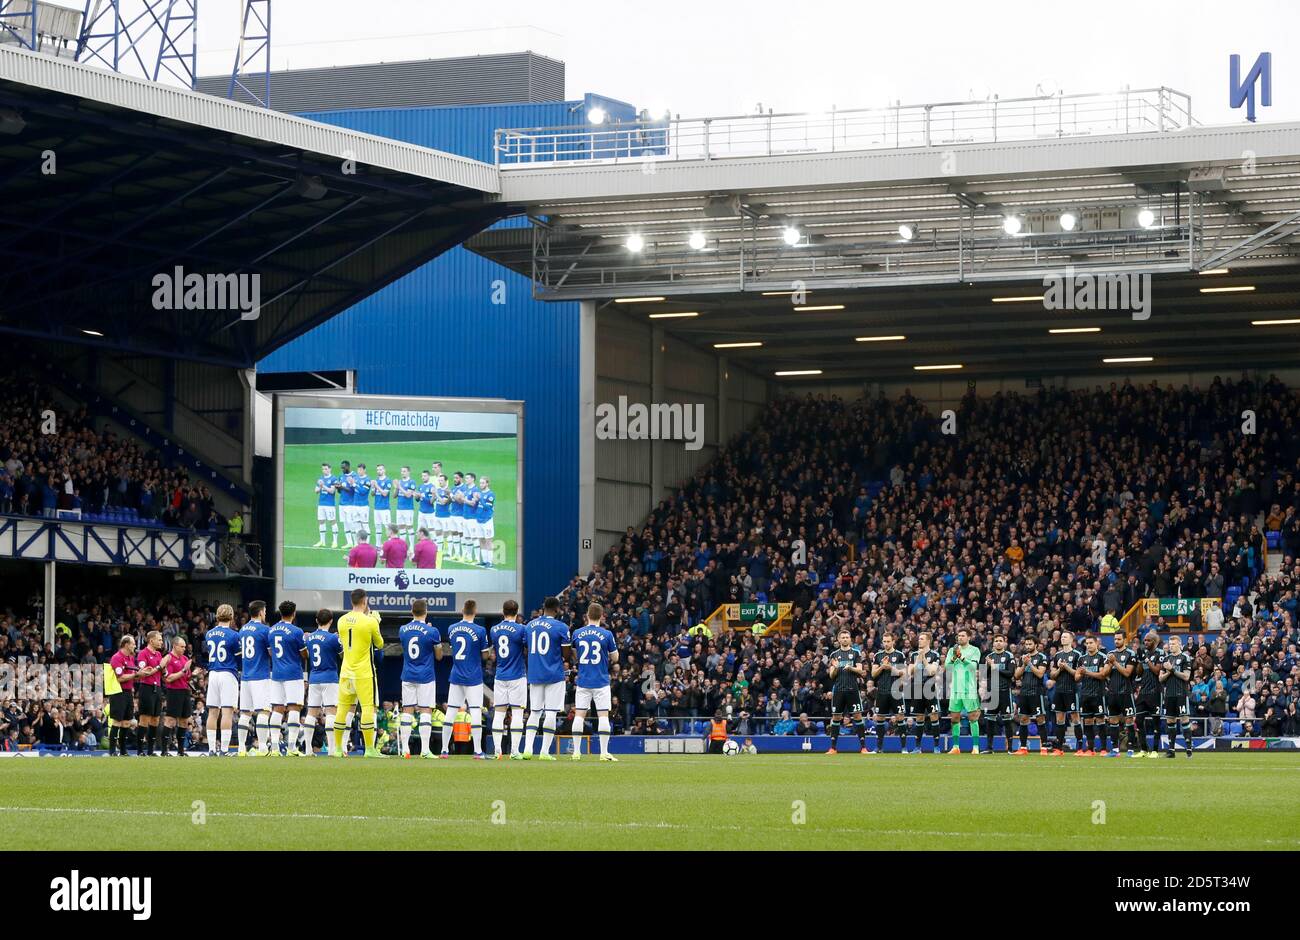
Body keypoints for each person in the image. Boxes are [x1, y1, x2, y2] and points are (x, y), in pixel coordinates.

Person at [331, 589, 385, 758]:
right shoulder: (370, 622)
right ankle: (369, 749)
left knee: (342, 709)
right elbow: (380, 644)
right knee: (368, 708)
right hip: (364, 673)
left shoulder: (341, 621)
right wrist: (375, 620)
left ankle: (338, 749)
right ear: (365, 601)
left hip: (346, 672)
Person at [522, 596, 572, 760]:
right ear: (557, 610)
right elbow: (566, 654)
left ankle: (527, 749)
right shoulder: (561, 626)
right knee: (551, 712)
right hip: (554, 674)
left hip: (535, 674)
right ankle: (544, 752)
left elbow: (525, 648)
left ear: (543, 608)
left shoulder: (529, 625)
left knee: (534, 712)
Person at [439, 599, 490, 759]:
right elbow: (485, 655)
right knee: (475, 711)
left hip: (456, 675)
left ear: (462, 610)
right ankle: (477, 751)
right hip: (473, 676)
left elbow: (454, 649)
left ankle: (444, 750)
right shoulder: (480, 630)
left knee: (451, 711)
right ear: (475, 611)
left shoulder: (452, 628)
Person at [570, 602, 619, 761]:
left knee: (579, 716)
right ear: (602, 615)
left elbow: (574, 654)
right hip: (601, 680)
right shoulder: (607, 634)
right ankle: (603, 753)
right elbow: (615, 657)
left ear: (587, 615)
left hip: (583, 680)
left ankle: (576, 752)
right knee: (603, 716)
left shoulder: (577, 633)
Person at [398, 599, 442, 758]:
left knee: (407, 710)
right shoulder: (432, 631)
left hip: (408, 674)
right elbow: (439, 656)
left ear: (411, 611)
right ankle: (425, 750)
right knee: (425, 711)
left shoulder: (402, 630)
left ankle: (405, 749)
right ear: (426, 612)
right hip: (426, 676)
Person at [267, 600, 307, 756]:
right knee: (294, 708)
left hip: (276, 674)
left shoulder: (271, 631)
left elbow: (270, 652)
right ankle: (291, 747)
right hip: (293, 674)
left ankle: (275, 748)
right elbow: (305, 654)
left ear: (280, 612)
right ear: (294, 613)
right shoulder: (297, 631)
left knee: (277, 709)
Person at [490, 599, 527, 759]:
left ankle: (497, 750)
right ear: (517, 612)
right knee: (518, 713)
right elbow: (526, 648)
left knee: (499, 713)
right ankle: (514, 751)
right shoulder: (521, 629)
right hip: (517, 675)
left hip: (500, 676)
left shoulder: (494, 629)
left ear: (503, 612)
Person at [203, 604, 241, 756]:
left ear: (217, 616)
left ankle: (212, 749)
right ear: (231, 617)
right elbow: (239, 658)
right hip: (227, 673)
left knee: (212, 712)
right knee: (227, 712)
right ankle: (224, 750)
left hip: (213, 673)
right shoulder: (234, 635)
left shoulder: (209, 634)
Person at [303, 608, 342, 755]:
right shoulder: (333, 638)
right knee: (331, 712)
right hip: (330, 678)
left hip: (314, 678)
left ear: (316, 621)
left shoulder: (309, 637)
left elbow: (305, 653)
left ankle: (307, 749)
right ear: (331, 621)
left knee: (311, 713)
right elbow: (342, 654)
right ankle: (332, 749)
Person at [237, 600, 273, 756]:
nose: (265, 614)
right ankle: (263, 748)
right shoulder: (265, 630)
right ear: (260, 612)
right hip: (260, 676)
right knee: (264, 712)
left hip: (245, 677)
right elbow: (271, 652)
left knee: (245, 713)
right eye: (264, 611)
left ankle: (241, 748)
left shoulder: (243, 630)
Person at [825, 628, 867, 755]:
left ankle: (863, 748)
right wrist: (836, 668)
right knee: (836, 717)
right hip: (838, 690)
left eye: (846, 637)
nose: (844, 639)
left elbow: (861, 671)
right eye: (842, 637)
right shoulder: (834, 655)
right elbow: (831, 675)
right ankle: (833, 748)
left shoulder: (856, 653)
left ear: (850, 639)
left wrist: (851, 668)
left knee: (857, 716)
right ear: (839, 639)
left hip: (852, 689)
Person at [943, 627, 982, 754]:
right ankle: (956, 747)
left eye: (963, 635)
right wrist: (954, 657)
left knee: (972, 717)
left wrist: (962, 658)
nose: (960, 638)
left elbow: (974, 666)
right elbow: (947, 667)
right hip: (955, 688)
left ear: (969, 637)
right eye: (959, 636)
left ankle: (975, 747)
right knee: (954, 718)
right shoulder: (952, 650)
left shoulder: (974, 650)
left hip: (969, 688)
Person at [904, 631, 941, 754]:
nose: (919, 640)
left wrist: (924, 659)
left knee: (934, 715)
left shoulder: (935, 654)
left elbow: (931, 671)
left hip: (930, 689)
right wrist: (918, 658)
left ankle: (936, 747)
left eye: (922, 639)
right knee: (919, 717)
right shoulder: (913, 654)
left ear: (928, 641)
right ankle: (918, 747)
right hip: (917, 689)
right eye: (919, 639)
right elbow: (910, 672)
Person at [870, 630, 907, 754]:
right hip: (882, 691)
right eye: (884, 641)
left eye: (888, 641)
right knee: (880, 718)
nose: (886, 644)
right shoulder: (878, 655)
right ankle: (879, 748)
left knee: (900, 717)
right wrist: (882, 666)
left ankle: (904, 748)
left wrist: (891, 667)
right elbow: (873, 674)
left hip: (896, 691)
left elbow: (903, 673)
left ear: (893, 642)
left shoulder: (900, 655)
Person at [1049, 630, 1083, 755]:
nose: (1062, 638)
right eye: (1062, 637)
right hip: (1059, 690)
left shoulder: (1077, 655)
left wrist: (1066, 667)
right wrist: (1059, 668)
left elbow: (1079, 674)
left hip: (1072, 690)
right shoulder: (1057, 655)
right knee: (1059, 719)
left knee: (1075, 718)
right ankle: (1059, 748)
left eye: (1065, 637)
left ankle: (1079, 748)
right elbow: (1052, 675)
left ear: (1071, 640)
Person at [1104, 630, 1138, 756]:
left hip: (1126, 692)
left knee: (1129, 720)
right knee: (1113, 721)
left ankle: (1130, 749)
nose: (1116, 641)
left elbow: (1127, 673)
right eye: (1115, 639)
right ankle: (1114, 750)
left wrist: (1114, 662)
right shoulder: (1110, 654)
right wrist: (1109, 666)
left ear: (1125, 639)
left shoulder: (1131, 654)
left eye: (1119, 639)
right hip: (1113, 693)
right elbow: (1105, 673)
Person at [1160, 634, 1194, 758]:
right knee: (1170, 721)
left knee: (1184, 720)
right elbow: (1160, 678)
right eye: (1170, 644)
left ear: (1180, 644)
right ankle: (1171, 750)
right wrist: (1169, 671)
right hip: (1169, 694)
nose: (1171, 646)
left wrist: (1172, 669)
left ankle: (1189, 749)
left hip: (1181, 694)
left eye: (1173, 644)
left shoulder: (1185, 658)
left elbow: (1186, 676)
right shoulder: (1166, 659)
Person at [1014, 635, 1049, 754]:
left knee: (1040, 718)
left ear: (1036, 645)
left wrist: (1029, 664)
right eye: (1026, 644)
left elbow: (1040, 674)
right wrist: (1024, 664)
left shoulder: (1042, 657)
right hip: (1024, 692)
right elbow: (1017, 676)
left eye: (1030, 644)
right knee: (1023, 719)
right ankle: (1023, 748)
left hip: (1036, 692)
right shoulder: (1023, 658)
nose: (1028, 646)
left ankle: (1044, 747)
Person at [1074, 634, 1108, 756]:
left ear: (1096, 643)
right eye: (1086, 644)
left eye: (1091, 643)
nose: (1088, 645)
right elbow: (1077, 677)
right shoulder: (1082, 659)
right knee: (1087, 722)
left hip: (1098, 694)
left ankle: (1103, 749)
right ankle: (1090, 749)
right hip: (1085, 694)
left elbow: (1102, 675)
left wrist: (1086, 672)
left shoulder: (1102, 657)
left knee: (1100, 720)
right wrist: (1081, 674)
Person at [159, 636, 192, 756]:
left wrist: (193, 673)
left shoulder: (184, 658)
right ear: (175, 646)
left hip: (185, 691)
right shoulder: (169, 658)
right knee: (170, 721)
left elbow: (186, 677)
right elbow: (169, 678)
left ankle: (181, 751)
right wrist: (184, 670)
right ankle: (164, 751)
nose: (184, 648)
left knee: (184, 721)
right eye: (182, 646)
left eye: (184, 646)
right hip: (174, 692)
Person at [983, 632, 1016, 754]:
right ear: (993, 643)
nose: (998, 642)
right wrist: (987, 666)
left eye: (1000, 641)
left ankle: (1010, 748)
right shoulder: (989, 656)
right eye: (996, 641)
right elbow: (984, 675)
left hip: (1004, 692)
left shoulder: (1009, 656)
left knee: (1007, 720)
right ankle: (989, 748)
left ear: (1004, 643)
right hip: (992, 693)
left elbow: (1010, 673)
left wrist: (995, 667)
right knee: (990, 721)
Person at [107, 635, 139, 756]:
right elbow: (120, 678)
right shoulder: (116, 658)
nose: (135, 646)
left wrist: (143, 673)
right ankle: (112, 751)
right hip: (118, 692)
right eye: (133, 644)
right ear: (126, 644)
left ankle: (123, 750)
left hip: (128, 692)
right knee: (117, 721)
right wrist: (136, 675)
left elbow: (133, 675)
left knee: (126, 722)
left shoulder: (130, 658)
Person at [1134, 630, 1165, 757]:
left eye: (1148, 640)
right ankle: (1143, 749)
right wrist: (1140, 661)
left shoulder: (1160, 653)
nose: (1145, 642)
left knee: (1156, 721)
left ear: (1154, 641)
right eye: (1144, 640)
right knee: (1139, 720)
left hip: (1155, 691)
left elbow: (1157, 671)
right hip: (1143, 691)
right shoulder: (1144, 653)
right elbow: (1139, 672)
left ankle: (1155, 750)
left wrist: (1146, 660)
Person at [135, 630, 165, 756]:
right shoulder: (143, 654)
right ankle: (140, 750)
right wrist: (159, 667)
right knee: (144, 719)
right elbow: (145, 672)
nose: (161, 642)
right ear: (151, 640)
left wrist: (164, 669)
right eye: (159, 640)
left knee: (155, 720)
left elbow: (163, 673)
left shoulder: (159, 655)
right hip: (146, 688)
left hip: (157, 688)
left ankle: (151, 751)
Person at [312, 462, 338, 548]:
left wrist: (323, 485)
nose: (324, 470)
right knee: (321, 521)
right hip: (321, 504)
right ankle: (322, 541)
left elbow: (332, 491)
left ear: (330, 469)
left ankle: (335, 542)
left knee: (332, 521)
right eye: (323, 469)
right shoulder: (320, 478)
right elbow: (316, 491)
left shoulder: (334, 479)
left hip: (330, 504)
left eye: (326, 469)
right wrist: (319, 486)